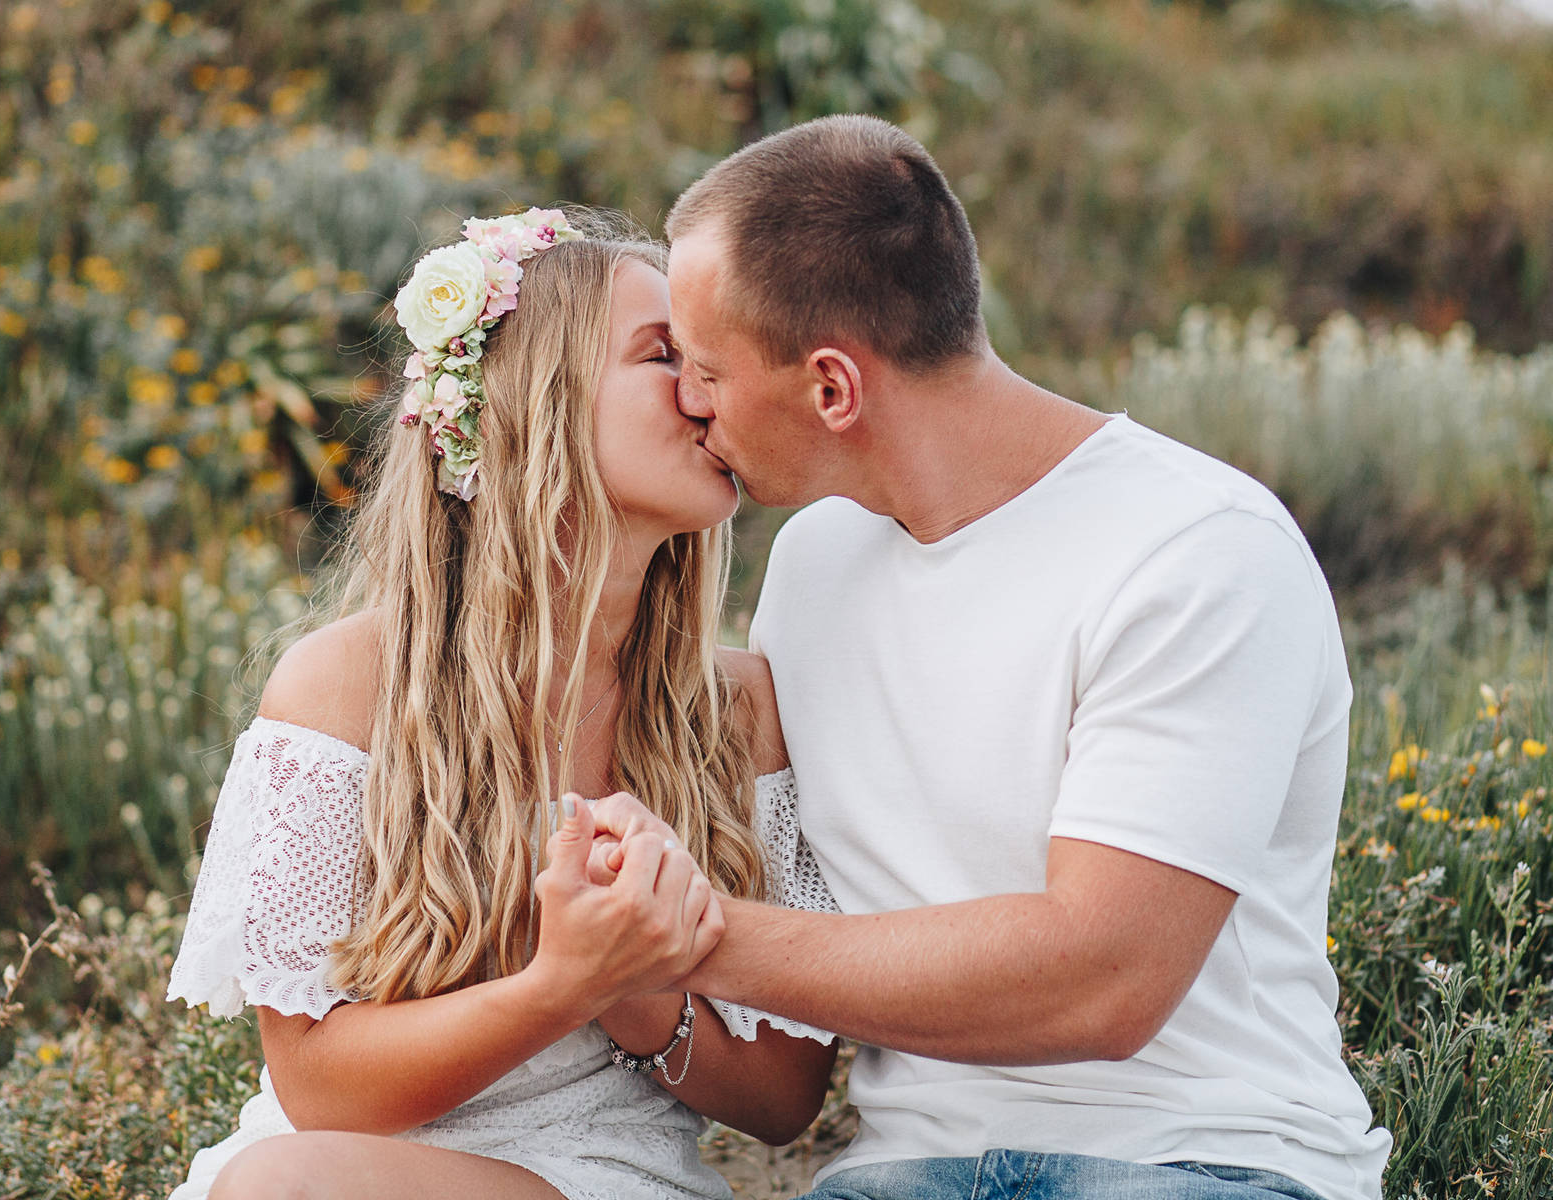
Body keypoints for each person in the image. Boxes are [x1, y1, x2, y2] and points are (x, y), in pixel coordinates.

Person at [582, 115, 1393, 1200]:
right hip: (902, 1174)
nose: (689, 399)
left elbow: (1103, 982)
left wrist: (684, 935)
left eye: (710, 370)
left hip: (1198, 1158)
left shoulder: (1197, 552)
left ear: (833, 389)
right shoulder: (815, 563)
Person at [161, 207, 840, 1200]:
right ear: (535, 401)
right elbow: (318, 1090)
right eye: (664, 357)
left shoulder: (737, 708)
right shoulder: (342, 688)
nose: (708, 395)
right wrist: (563, 985)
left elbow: (784, 1100)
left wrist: (641, 992)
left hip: (608, 1174)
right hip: (343, 1163)